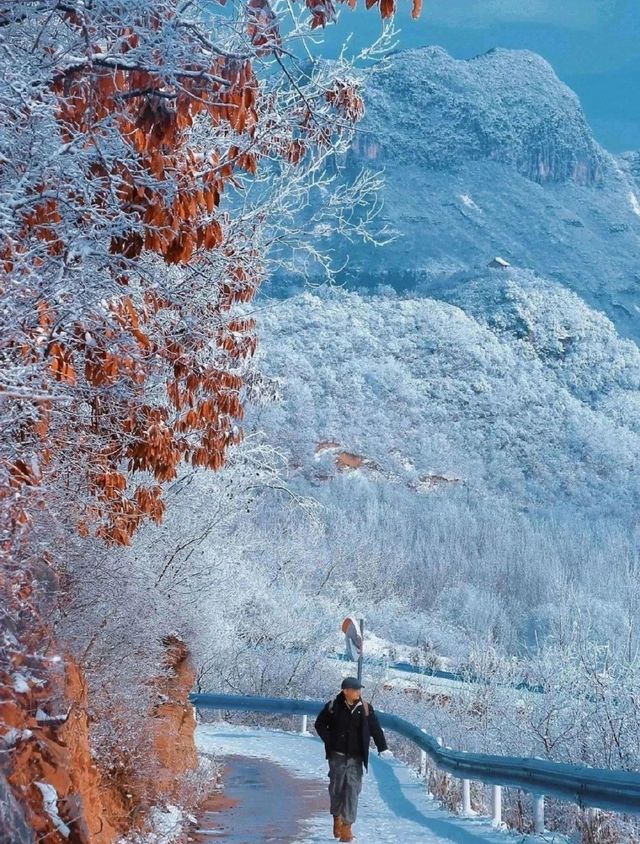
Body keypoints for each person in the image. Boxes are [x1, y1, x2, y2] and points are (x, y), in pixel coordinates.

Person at [314, 677, 393, 842]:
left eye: (359, 689)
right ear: (345, 691)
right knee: (336, 789)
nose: (358, 692)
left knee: (352, 791)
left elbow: (375, 729)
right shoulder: (333, 707)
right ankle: (337, 817)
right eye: (355, 689)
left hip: (356, 758)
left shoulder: (365, 708)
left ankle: (347, 827)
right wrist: (330, 740)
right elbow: (319, 724)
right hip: (337, 756)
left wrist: (382, 747)